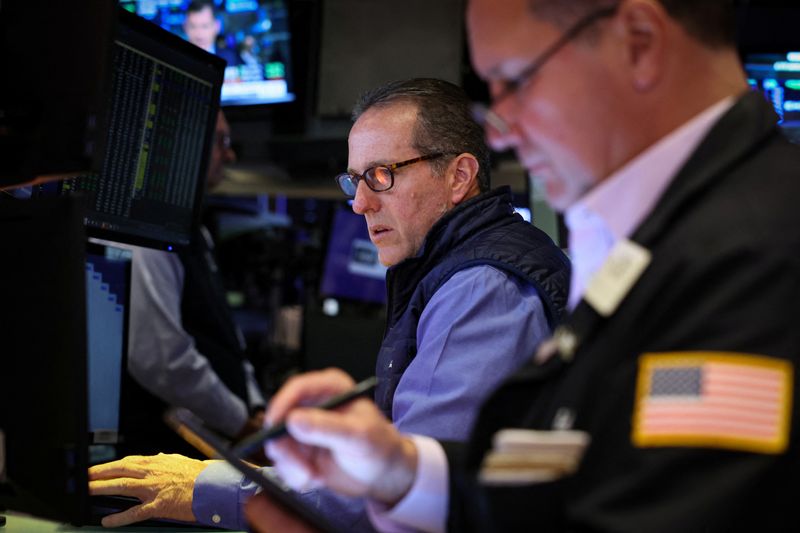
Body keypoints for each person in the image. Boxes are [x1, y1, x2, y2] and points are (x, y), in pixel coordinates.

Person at [249, 1, 800, 532]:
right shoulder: (643, 237)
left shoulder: (756, 248)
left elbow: (676, 511)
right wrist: (400, 473)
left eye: (517, 80)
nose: (503, 129)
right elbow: (585, 463)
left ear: (639, 43)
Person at [87, 79, 570, 530]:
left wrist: (203, 487)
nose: (359, 203)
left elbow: (406, 495)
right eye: (353, 180)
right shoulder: (454, 271)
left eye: (381, 176)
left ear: (459, 176)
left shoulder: (481, 288)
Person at [116, 110, 266, 459]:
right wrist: (240, 423)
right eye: (221, 141)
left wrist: (257, 410)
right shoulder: (147, 230)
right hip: (162, 454)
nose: (230, 155)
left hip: (216, 444)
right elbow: (163, 360)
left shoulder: (194, 230)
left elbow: (228, 339)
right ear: (182, 147)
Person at [183, 0, 243, 67]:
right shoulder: (178, 58)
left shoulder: (231, 59)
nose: (199, 34)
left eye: (205, 26)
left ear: (217, 26)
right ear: (185, 27)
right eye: (193, 26)